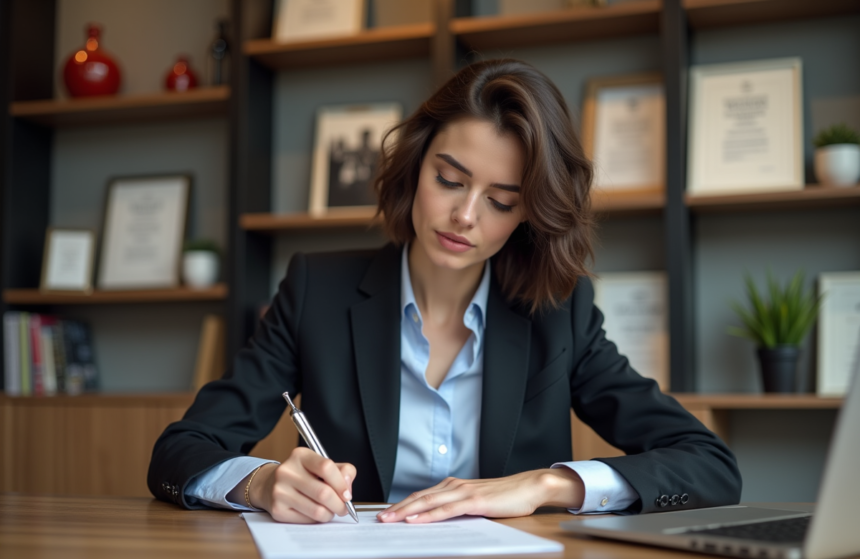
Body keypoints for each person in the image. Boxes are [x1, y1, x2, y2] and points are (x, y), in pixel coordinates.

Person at [148, 59, 741, 524]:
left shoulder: (558, 314)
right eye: (449, 180)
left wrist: (545, 485)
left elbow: (709, 465)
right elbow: (181, 451)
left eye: (501, 201)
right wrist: (261, 482)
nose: (464, 215)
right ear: (415, 166)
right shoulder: (316, 291)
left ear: (528, 215)